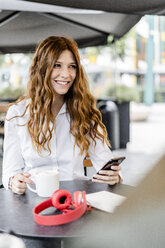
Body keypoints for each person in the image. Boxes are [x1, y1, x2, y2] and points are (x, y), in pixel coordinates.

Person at [2, 36, 121, 194]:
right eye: (57, 65)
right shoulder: (18, 114)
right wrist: (14, 181)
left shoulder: (84, 112)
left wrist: (115, 177)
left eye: (72, 66)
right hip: (34, 199)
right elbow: (9, 173)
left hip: (75, 199)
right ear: (42, 68)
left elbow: (105, 163)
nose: (66, 74)